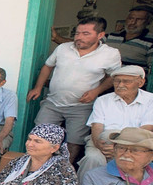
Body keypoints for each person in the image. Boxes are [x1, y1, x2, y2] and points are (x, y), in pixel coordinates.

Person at [27, 16, 122, 165]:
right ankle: (36, 170)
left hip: (81, 106)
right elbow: (48, 66)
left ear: (100, 35)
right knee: (39, 136)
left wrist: (97, 91)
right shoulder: (63, 48)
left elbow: (114, 76)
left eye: (86, 34)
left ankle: (64, 172)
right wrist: (38, 87)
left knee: (74, 142)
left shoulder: (110, 54)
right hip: (53, 102)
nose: (79, 37)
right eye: (77, 33)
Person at [78, 65, 153, 178]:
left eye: (126, 81)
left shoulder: (152, 100)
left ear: (140, 82)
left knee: (129, 161)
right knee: (92, 158)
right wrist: (99, 145)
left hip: (134, 144)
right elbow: (96, 127)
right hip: (103, 142)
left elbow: (145, 130)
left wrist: (120, 148)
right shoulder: (102, 100)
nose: (120, 85)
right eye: (117, 81)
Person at [105, 6, 153, 75]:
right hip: (104, 79)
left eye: (139, 19)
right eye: (130, 18)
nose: (133, 22)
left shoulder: (152, 41)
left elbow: (152, 70)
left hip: (129, 83)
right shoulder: (111, 36)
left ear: (148, 22)